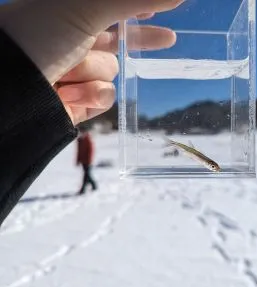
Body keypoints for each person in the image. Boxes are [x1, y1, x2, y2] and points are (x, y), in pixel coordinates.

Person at [0, 0, 184, 226]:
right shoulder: (84, 137)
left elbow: (88, 149)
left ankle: (88, 186)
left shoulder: (86, 139)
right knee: (88, 171)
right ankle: (88, 186)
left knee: (88, 174)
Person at [76, 128, 97, 194]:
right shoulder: (80, 140)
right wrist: (78, 160)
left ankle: (83, 189)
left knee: (86, 175)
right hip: (83, 161)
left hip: (87, 161)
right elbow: (79, 152)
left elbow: (91, 151)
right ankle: (94, 185)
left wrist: (89, 160)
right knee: (87, 175)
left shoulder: (87, 139)